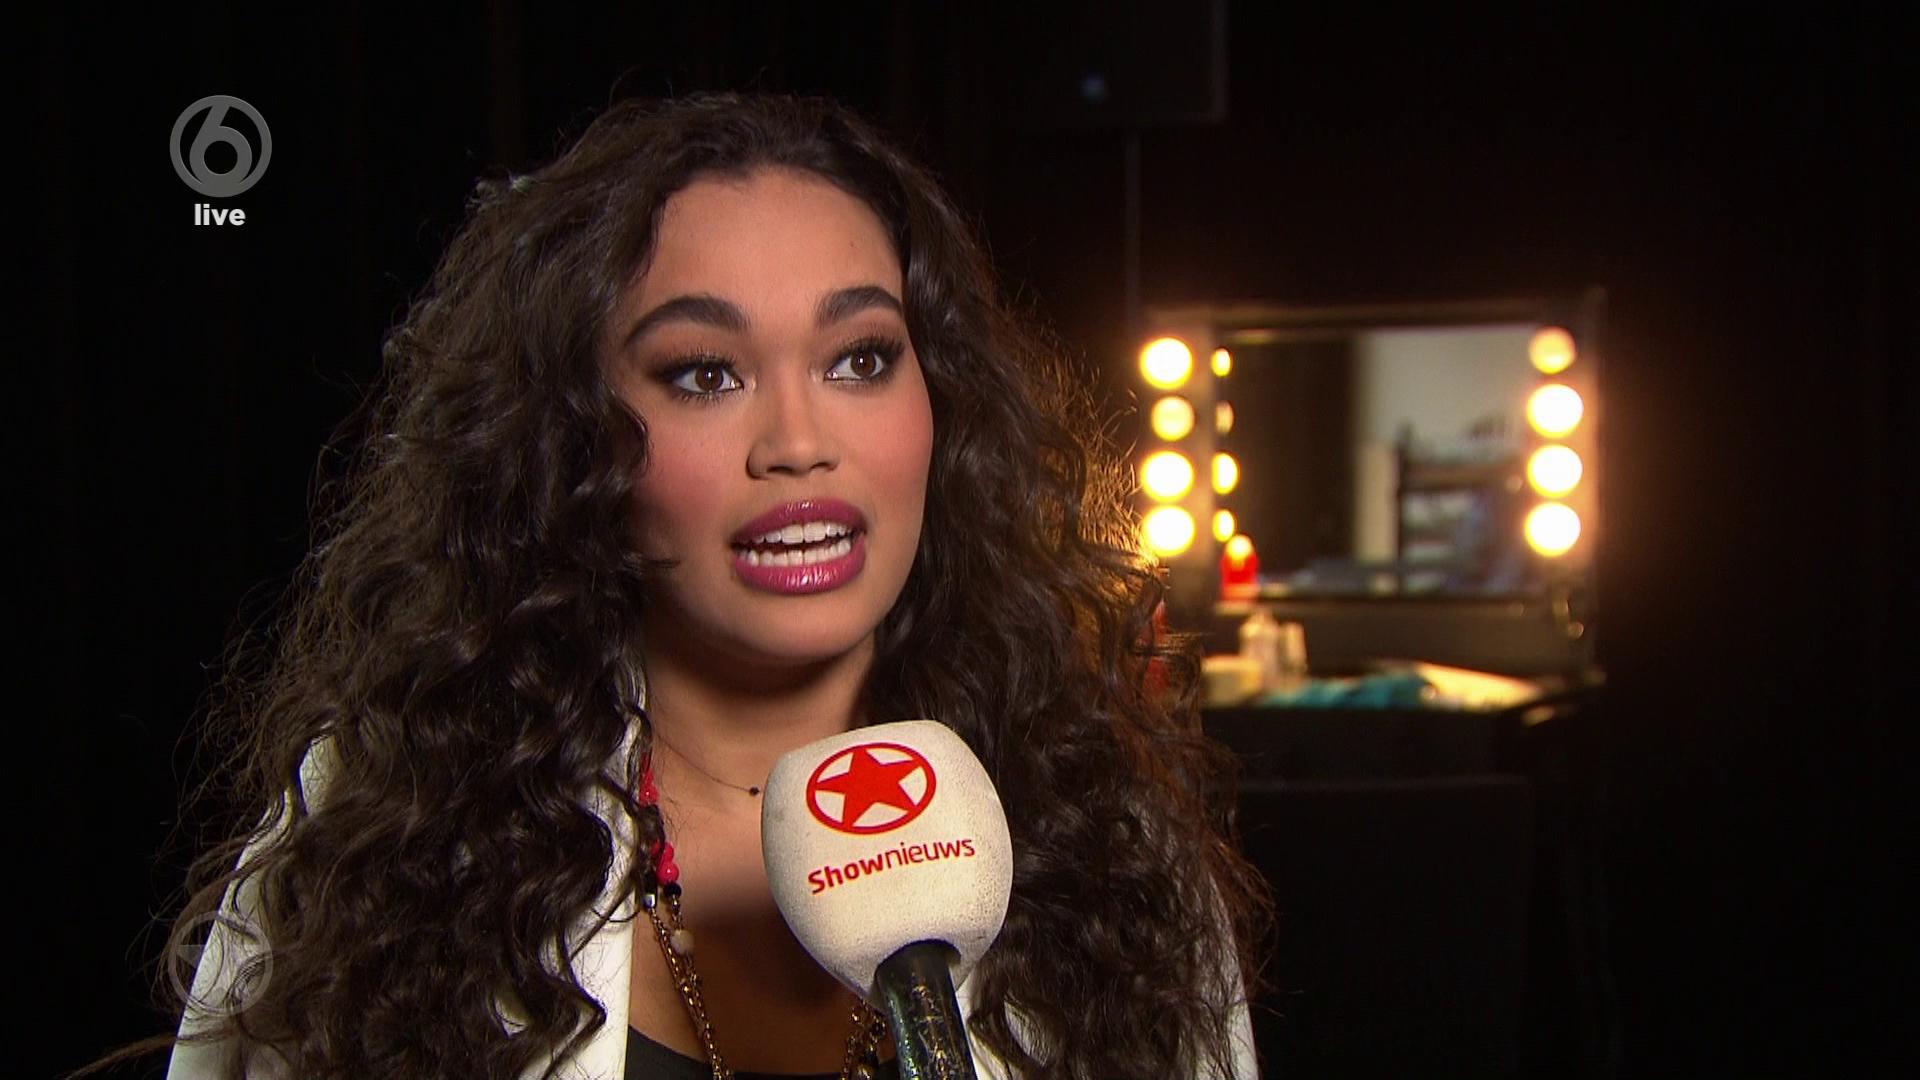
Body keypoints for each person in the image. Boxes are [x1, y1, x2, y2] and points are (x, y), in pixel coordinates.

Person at [122, 92, 1266, 1080]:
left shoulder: (1101, 842)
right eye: (705, 373)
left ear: (942, 404)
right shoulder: (390, 824)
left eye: (861, 357)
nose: (799, 443)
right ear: (573, 442)